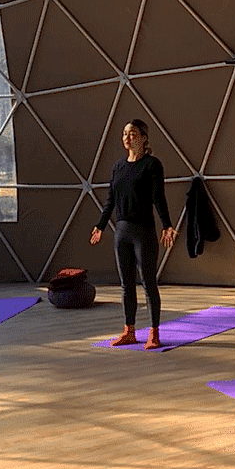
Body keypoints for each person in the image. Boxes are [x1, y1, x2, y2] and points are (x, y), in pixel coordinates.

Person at [91, 120, 177, 350]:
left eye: (132, 134)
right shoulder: (118, 166)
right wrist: (100, 225)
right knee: (126, 284)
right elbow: (111, 199)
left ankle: (154, 332)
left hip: (143, 231)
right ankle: (129, 331)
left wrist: (167, 224)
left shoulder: (152, 165)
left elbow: (158, 197)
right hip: (122, 231)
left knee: (148, 282)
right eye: (125, 134)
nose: (127, 138)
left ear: (143, 138)